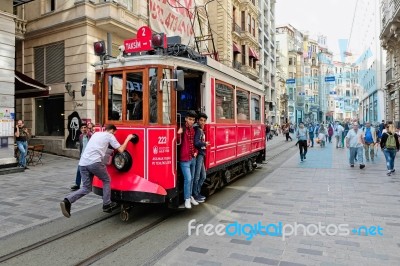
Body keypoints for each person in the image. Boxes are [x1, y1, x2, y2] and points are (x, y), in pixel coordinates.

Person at [60, 124, 134, 218]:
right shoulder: (110, 135)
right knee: (106, 180)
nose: (114, 135)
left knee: (86, 188)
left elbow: (98, 146)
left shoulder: (96, 134)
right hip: (94, 163)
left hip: (82, 164)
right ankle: (107, 204)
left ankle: (67, 200)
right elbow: (121, 149)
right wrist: (128, 138)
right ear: (112, 131)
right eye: (115, 133)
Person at [178, 111, 199, 209]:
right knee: (188, 179)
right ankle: (186, 199)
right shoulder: (182, 128)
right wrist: (178, 134)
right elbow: (177, 141)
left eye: (193, 120)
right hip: (184, 159)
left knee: (192, 179)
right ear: (186, 119)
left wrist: (196, 152)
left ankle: (190, 197)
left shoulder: (193, 130)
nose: (192, 121)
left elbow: (195, 142)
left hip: (192, 157)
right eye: (190, 119)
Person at [70, 123, 93, 191]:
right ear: (80, 129)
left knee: (91, 171)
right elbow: (81, 146)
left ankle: (91, 185)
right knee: (79, 170)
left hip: (90, 156)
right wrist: (80, 155)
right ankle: (77, 184)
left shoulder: (90, 136)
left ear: (87, 128)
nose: (83, 129)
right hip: (83, 156)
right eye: (82, 128)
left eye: (85, 127)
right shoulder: (80, 136)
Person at [193, 112, 209, 203]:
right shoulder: (198, 130)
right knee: (198, 175)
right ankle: (195, 194)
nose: (203, 122)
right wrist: (204, 144)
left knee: (203, 176)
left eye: (204, 121)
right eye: (201, 120)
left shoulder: (200, 129)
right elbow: (196, 143)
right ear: (198, 121)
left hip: (201, 154)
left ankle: (197, 192)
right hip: (199, 154)